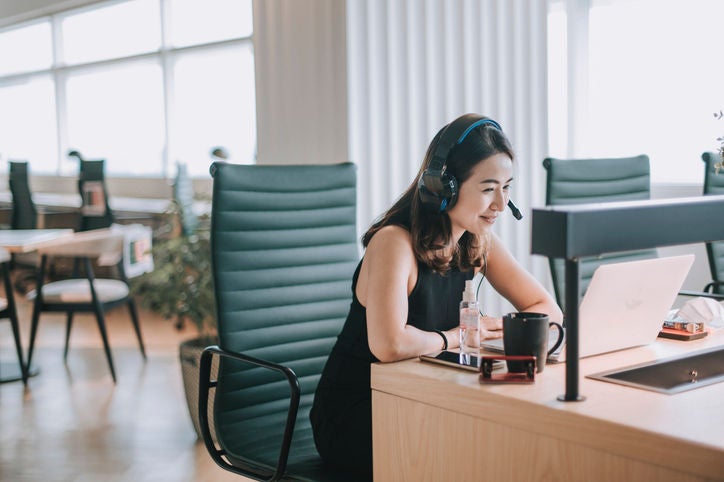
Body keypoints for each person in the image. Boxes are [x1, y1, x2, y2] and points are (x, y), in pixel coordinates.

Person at [310, 113, 562, 477]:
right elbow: (389, 344)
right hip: (361, 412)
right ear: (445, 186)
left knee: (513, 445)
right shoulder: (394, 243)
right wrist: (457, 337)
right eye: (488, 188)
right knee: (484, 456)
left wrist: (502, 329)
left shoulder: (477, 240)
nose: (501, 203)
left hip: (425, 398)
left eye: (507, 187)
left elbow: (547, 309)